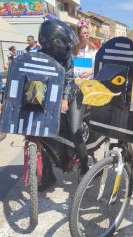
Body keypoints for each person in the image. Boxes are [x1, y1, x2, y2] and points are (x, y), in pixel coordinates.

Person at [37, 19, 86, 192]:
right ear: (53, 41)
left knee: (74, 130)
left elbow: (70, 79)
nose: (67, 45)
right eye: (64, 41)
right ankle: (48, 175)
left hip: (71, 96)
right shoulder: (38, 56)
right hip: (48, 98)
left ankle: (86, 167)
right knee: (38, 134)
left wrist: (65, 99)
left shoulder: (66, 56)